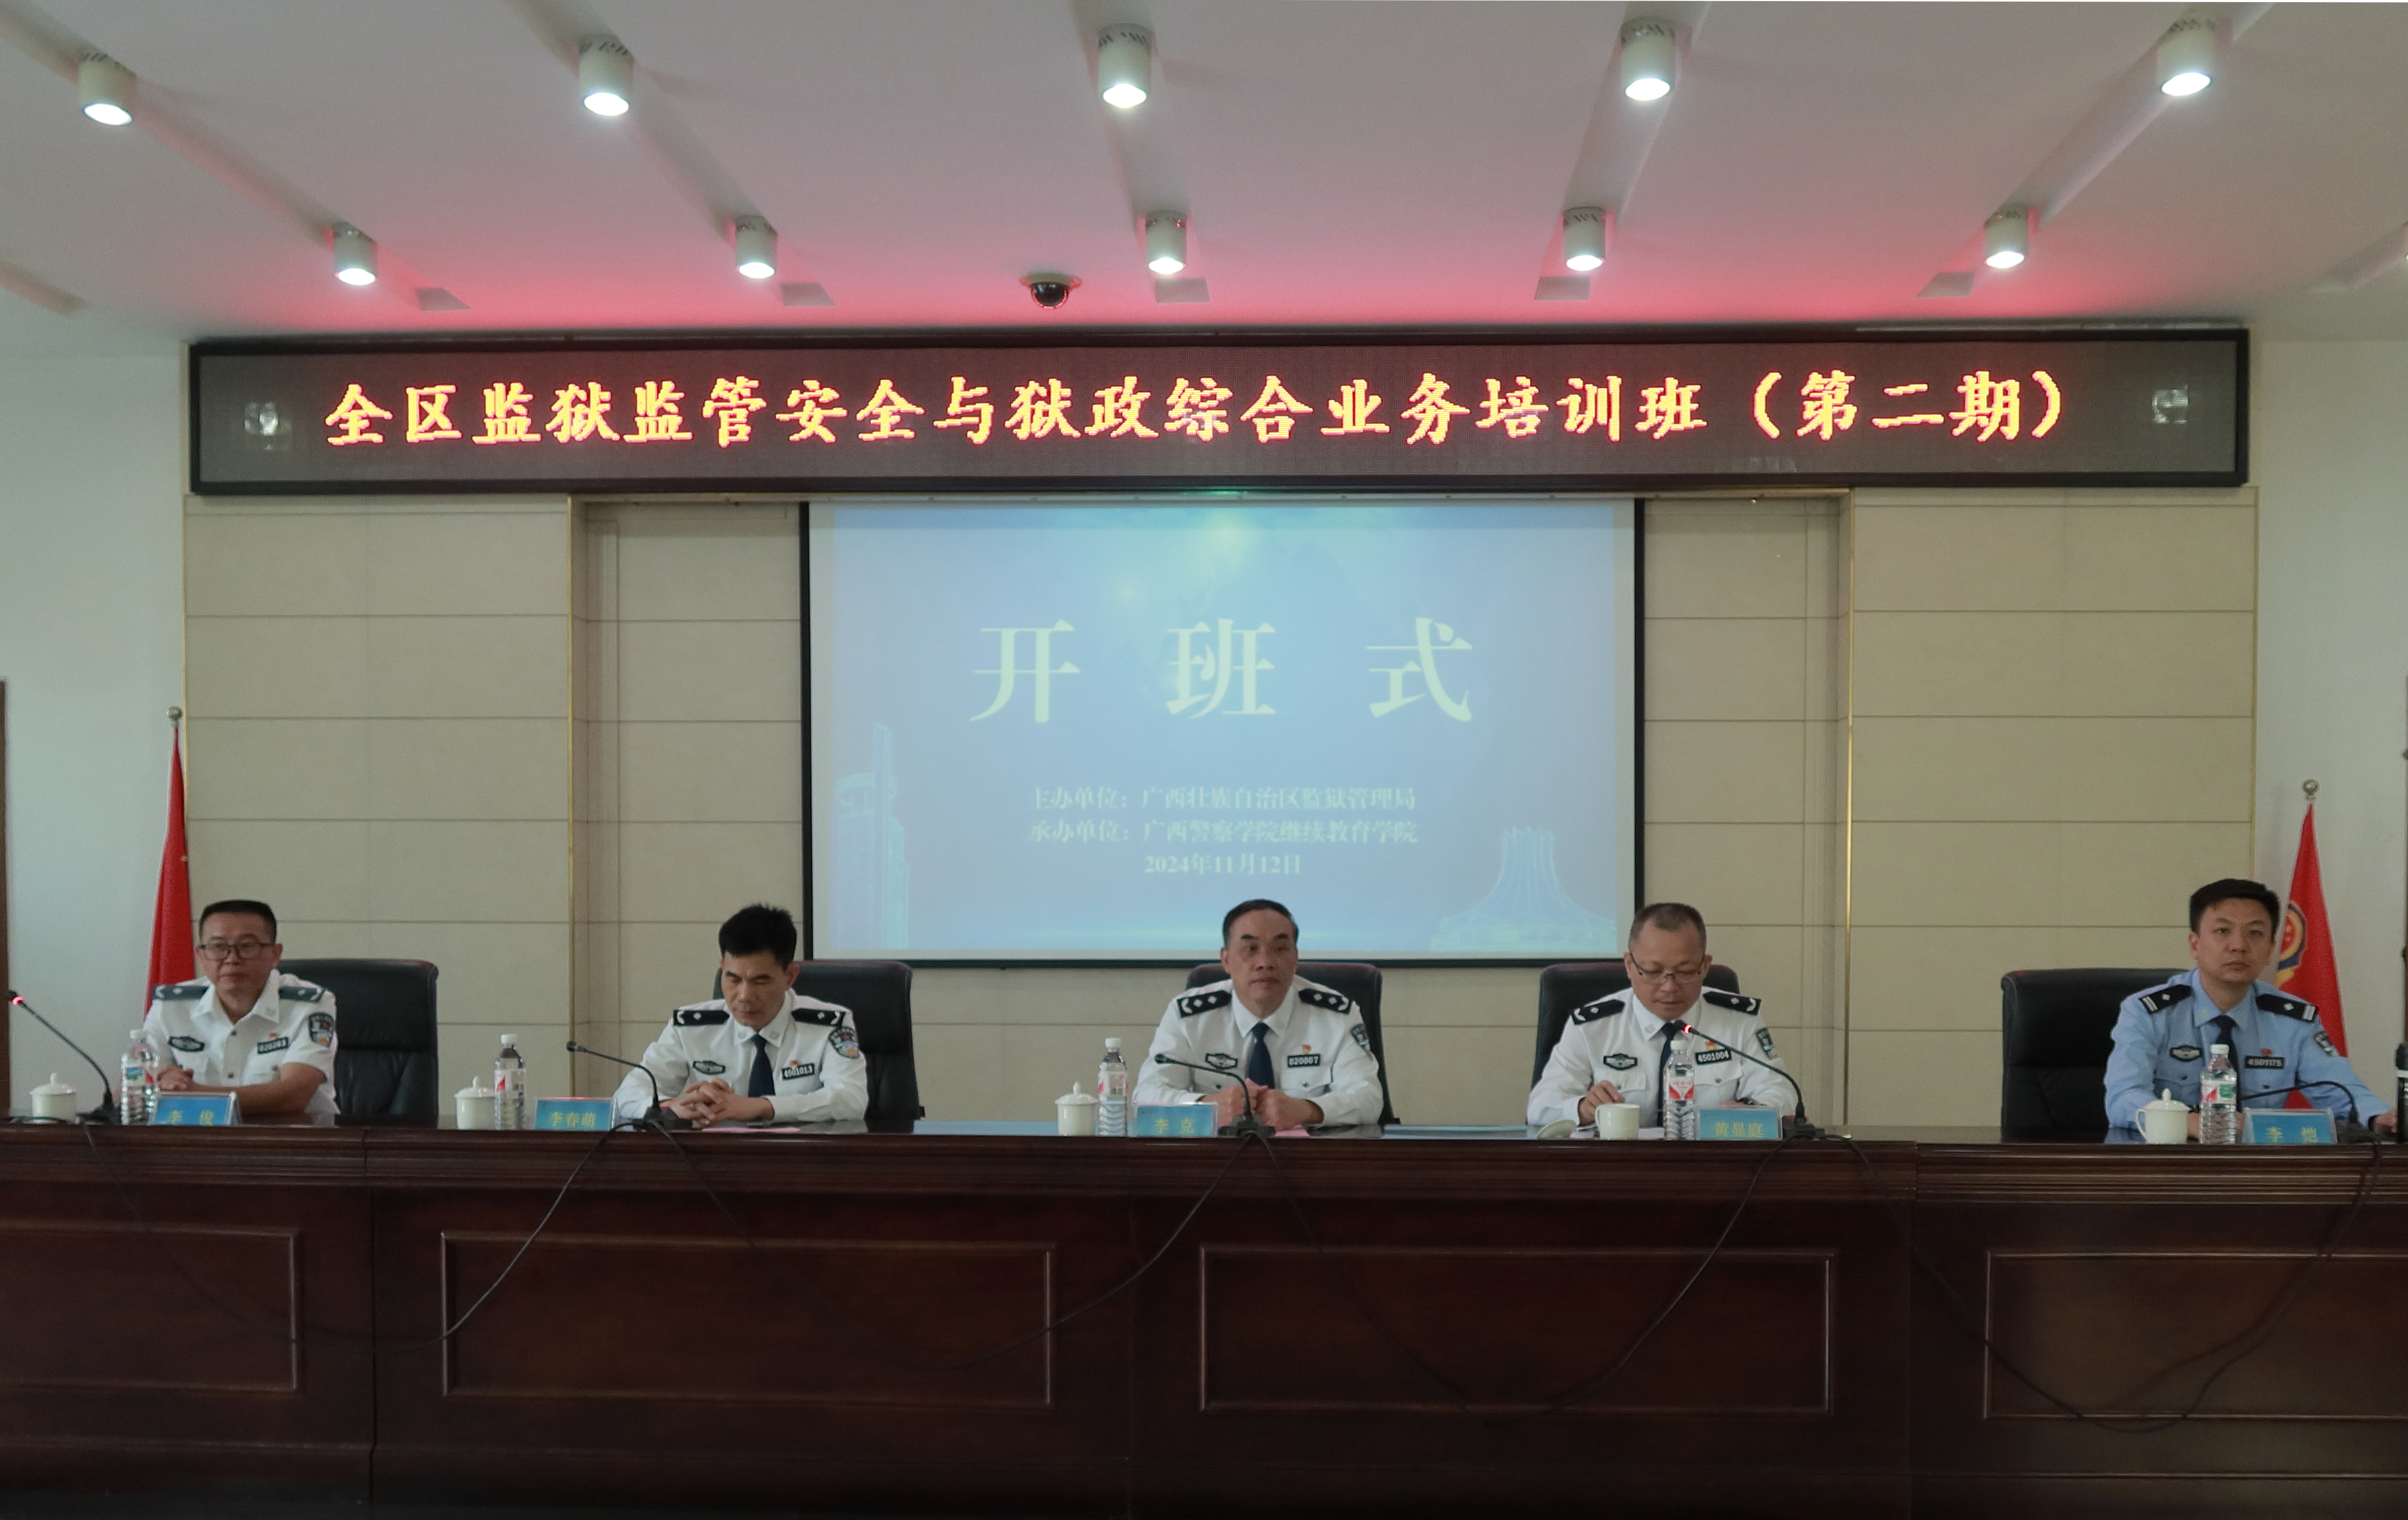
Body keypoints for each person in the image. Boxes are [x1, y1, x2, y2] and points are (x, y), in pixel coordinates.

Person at [2104, 878, 2394, 1135]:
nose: (2239, 945)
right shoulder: (2148, 1012)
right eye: (2222, 931)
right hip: (2171, 1162)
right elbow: (2123, 1098)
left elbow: (2341, 1091)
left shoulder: (2292, 1020)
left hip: (2261, 1166)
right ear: (2195, 944)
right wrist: (2191, 1122)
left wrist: (2379, 1117)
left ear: (2270, 949)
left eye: (2255, 933)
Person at [1527, 902, 1789, 1130]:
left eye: (1685, 972)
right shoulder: (1593, 1026)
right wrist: (1583, 1108)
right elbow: (1541, 1107)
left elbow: (1782, 1094)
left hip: (1711, 1163)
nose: (1669, 987)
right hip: (1617, 1165)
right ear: (1629, 966)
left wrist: (1750, 1109)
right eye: (1653, 971)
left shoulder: (1739, 1021)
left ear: (1705, 966)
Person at [1134, 899, 1385, 1129]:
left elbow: (1369, 1099)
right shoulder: (1188, 1016)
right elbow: (1145, 1099)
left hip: (1309, 1158)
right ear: (1226, 960)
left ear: (1296, 958)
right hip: (1215, 1159)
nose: (1265, 962)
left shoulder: (1337, 1016)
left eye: (1280, 948)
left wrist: (1306, 1110)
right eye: (1251, 949)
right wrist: (1207, 1106)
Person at [613, 904, 867, 1126]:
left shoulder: (829, 1024)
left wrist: (760, 1107)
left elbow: (851, 1100)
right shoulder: (691, 1027)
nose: (744, 996)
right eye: (733, 979)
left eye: (760, 981)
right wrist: (670, 1108)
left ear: (790, 976)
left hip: (802, 1158)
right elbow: (628, 1095)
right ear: (722, 968)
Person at [144, 898, 339, 1118]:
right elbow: (133, 1089)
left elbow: (294, 1096)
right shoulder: (170, 1007)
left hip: (293, 1135)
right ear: (201, 955)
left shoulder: (310, 1005)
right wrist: (167, 1080)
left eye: (247, 946)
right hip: (195, 1135)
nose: (232, 959)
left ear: (275, 955)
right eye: (218, 947)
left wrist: (194, 1095)